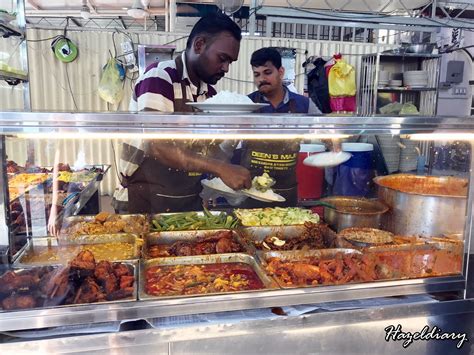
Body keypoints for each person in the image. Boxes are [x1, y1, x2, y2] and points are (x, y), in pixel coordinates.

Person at [113, 13, 251, 213]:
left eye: (230, 62)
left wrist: (231, 160)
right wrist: (222, 169)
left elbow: (208, 150)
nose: (226, 68)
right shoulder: (160, 77)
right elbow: (158, 146)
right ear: (199, 44)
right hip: (145, 200)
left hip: (187, 200)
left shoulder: (209, 95)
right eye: (223, 59)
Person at [240, 47, 322, 207]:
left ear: (281, 72)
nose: (261, 79)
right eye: (257, 74)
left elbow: (326, 130)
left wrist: (335, 144)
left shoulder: (304, 104)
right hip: (251, 191)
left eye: (267, 72)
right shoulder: (246, 104)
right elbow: (227, 144)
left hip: (286, 192)